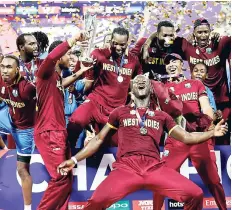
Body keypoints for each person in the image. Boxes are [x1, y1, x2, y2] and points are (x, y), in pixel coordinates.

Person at [57, 74, 227, 210]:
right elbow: (99, 139)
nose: (140, 80)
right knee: (95, 202)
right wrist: (73, 160)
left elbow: (188, 137)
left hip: (154, 168)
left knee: (195, 194)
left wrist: (213, 132)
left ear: (151, 90)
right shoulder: (120, 112)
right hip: (126, 168)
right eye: (136, 80)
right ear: (130, 90)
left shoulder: (162, 116)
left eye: (144, 80)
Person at [153, 53, 227, 210]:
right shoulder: (162, 88)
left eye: (175, 61)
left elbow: (206, 106)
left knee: (214, 181)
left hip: (198, 138)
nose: (171, 64)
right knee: (160, 180)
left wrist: (209, 122)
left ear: (183, 65)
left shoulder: (195, 84)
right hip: (176, 139)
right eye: (168, 63)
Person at [34, 31, 90, 210]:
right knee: (60, 177)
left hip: (58, 131)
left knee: (67, 178)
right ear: (58, 57)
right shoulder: (45, 71)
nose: (71, 56)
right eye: (68, 54)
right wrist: (72, 40)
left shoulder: (56, 78)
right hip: (49, 132)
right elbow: (51, 57)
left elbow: (62, 84)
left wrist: (81, 72)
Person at [67, 27, 142, 148]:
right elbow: (85, 78)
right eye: (115, 43)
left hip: (116, 109)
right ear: (111, 40)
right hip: (96, 101)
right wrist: (83, 62)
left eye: (122, 44)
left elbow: (137, 83)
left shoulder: (133, 61)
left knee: (113, 147)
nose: (118, 47)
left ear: (128, 42)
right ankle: (66, 152)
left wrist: (133, 99)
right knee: (76, 121)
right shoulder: (98, 54)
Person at [0, 55, 36, 210]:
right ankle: (4, 149)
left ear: (17, 70)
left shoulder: (27, 88)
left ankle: (27, 208)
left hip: (25, 130)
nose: (5, 70)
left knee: (22, 170)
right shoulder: (1, 81)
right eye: (2, 66)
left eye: (9, 67)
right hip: (8, 118)